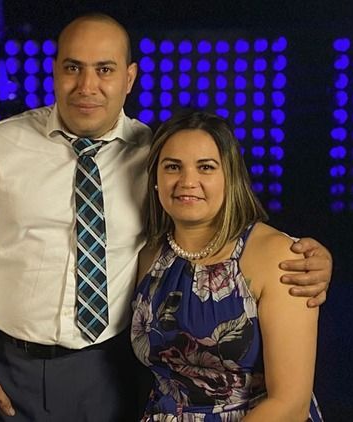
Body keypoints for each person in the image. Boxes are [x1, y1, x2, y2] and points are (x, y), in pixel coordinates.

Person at [0, 13, 332, 422]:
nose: (87, 86)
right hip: (6, 367)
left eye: (104, 69)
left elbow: (220, 234)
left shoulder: (155, 153)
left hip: (112, 372)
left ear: (129, 77)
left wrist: (313, 260)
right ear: (55, 71)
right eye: (73, 68)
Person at [132, 110, 324, 421]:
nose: (187, 181)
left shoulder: (276, 255)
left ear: (230, 176)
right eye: (172, 167)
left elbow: (290, 404)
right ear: (155, 179)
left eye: (206, 167)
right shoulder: (148, 255)